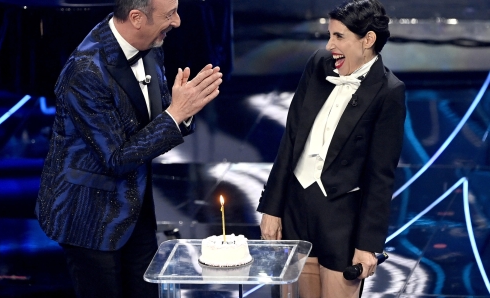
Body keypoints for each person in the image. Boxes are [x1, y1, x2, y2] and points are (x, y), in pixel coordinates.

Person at [35, 0, 223, 297]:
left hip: (136, 210)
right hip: (89, 219)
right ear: (136, 18)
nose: (178, 22)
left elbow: (154, 121)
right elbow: (117, 158)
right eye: (170, 14)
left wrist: (181, 111)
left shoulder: (151, 45)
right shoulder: (85, 72)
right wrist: (175, 115)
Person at [257, 0, 406, 297]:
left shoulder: (389, 92)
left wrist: (367, 245)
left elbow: (381, 176)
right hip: (296, 209)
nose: (329, 45)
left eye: (339, 37)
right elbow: (291, 140)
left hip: (341, 222)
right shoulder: (317, 65)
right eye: (329, 35)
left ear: (368, 40)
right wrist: (272, 208)